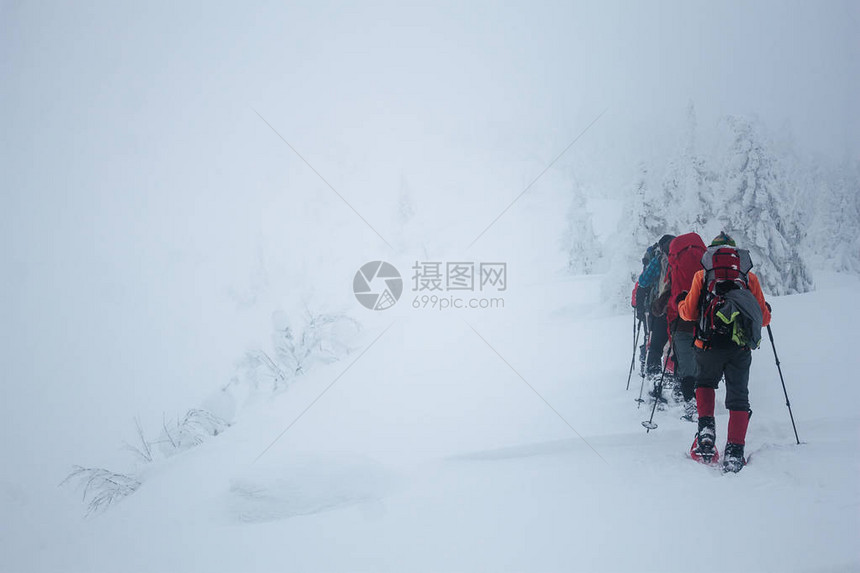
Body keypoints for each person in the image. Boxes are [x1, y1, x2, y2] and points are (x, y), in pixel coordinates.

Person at [677, 232, 771, 472]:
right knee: (739, 397)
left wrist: (681, 302)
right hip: (739, 348)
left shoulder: (703, 275)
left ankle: (706, 431)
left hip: (707, 345)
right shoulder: (749, 278)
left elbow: (688, 313)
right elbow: (763, 319)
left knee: (705, 384)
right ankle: (734, 451)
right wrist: (766, 308)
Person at [665, 232, 707, 421]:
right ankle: (703, 404)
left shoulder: (674, 264)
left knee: (686, 365)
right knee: (702, 363)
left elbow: (672, 294)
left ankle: (690, 404)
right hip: (705, 321)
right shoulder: (705, 262)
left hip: (682, 321)